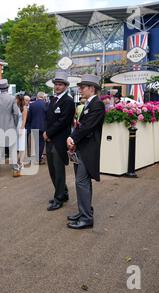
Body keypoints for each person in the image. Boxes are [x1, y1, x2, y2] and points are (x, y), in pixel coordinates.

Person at [66, 74, 105, 229]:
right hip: (82, 148)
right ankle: (85, 211)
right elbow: (82, 126)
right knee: (83, 182)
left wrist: (72, 138)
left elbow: (87, 126)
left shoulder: (97, 104)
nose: (80, 90)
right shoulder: (90, 103)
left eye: (83, 87)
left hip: (88, 150)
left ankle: (86, 217)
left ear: (92, 88)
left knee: (81, 182)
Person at [43, 71, 75, 212]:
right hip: (50, 139)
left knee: (58, 170)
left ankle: (59, 198)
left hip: (59, 140)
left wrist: (48, 133)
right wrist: (47, 134)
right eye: (56, 84)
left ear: (66, 86)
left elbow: (63, 122)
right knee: (52, 170)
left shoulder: (68, 101)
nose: (57, 86)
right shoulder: (53, 99)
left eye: (60, 84)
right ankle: (63, 192)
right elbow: (49, 119)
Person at [28, 92, 48, 165]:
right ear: (43, 97)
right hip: (43, 126)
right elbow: (48, 117)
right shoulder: (46, 104)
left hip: (34, 125)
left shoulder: (32, 105)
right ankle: (38, 158)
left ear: (37, 96)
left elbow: (29, 117)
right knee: (41, 143)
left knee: (34, 143)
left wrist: (30, 124)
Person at [15, 93, 28, 175]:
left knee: (22, 147)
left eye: (16, 99)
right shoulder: (15, 107)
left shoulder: (24, 108)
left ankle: (21, 163)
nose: (15, 100)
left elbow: (24, 120)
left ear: (19, 99)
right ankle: (16, 163)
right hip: (14, 128)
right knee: (15, 147)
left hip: (21, 128)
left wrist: (21, 129)